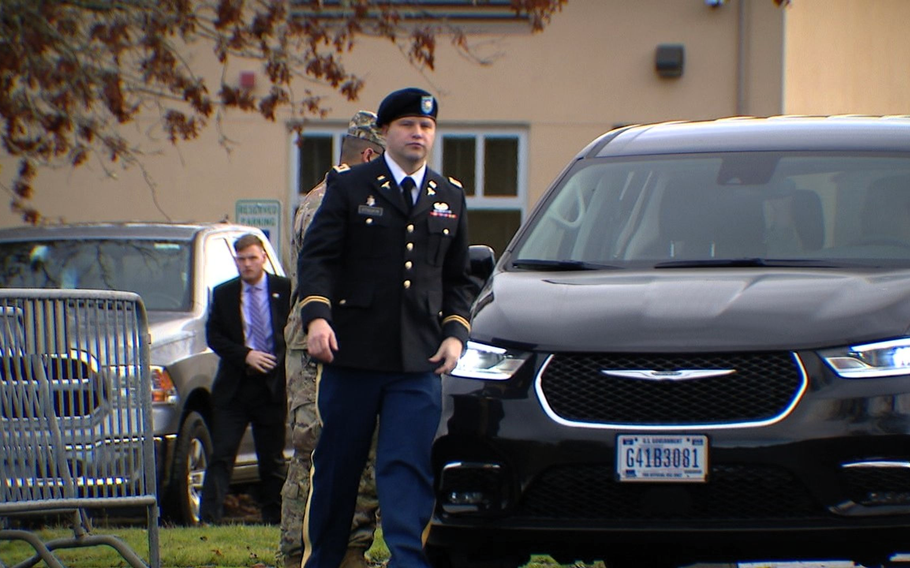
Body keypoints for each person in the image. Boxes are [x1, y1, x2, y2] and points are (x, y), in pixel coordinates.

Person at [297, 87, 475, 568]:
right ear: (385, 133)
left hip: (417, 360)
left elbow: (459, 279)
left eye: (426, 126)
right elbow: (318, 260)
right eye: (407, 125)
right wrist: (317, 317)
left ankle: (407, 563)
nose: (418, 134)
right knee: (337, 469)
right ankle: (324, 560)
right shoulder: (351, 187)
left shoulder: (450, 196)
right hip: (352, 355)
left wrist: (456, 333)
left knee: (407, 469)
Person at [279, 110, 386, 568]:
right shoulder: (336, 201)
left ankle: (338, 549)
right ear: (368, 155)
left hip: (326, 340)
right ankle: (308, 551)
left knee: (335, 451)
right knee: (317, 449)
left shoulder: (319, 197)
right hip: (319, 345)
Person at [200, 233, 291, 525]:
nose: (247, 264)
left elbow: (294, 331)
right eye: (241, 259)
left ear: (264, 257)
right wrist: (245, 355)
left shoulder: (284, 290)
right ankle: (209, 519)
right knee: (222, 455)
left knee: (272, 459)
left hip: (272, 386)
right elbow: (214, 336)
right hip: (235, 387)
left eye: (252, 258)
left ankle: (274, 520)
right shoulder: (224, 293)